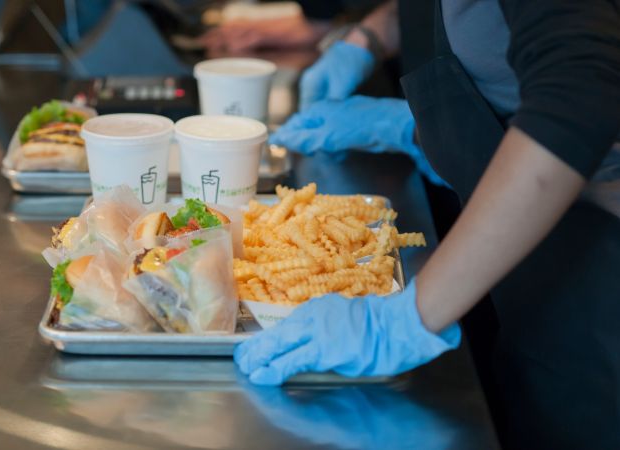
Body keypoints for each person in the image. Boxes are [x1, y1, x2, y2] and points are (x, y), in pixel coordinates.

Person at [234, 0, 620, 448]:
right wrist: (373, 39)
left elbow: (578, 92)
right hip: (529, 265)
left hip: (599, 271)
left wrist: (404, 320)